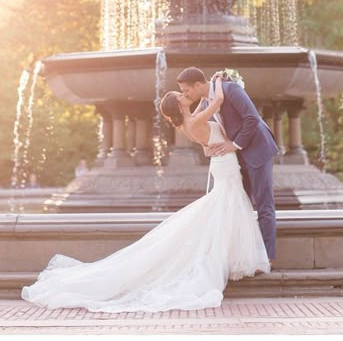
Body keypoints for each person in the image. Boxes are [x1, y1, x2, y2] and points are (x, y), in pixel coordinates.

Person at [21, 75, 269, 313]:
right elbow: (215, 102)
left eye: (183, 91)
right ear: (179, 105)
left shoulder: (189, 123)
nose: (184, 95)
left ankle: (232, 258)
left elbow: (206, 138)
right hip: (226, 167)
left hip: (222, 165)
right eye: (180, 95)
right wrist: (217, 81)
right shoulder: (195, 121)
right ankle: (229, 259)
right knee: (227, 205)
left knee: (224, 207)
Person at [177, 67, 279, 262]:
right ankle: (246, 257)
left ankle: (267, 259)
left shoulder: (230, 89)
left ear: (198, 85)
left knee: (263, 203)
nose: (184, 94)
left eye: (185, 90)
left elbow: (252, 118)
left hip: (258, 150)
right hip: (237, 158)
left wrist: (235, 144)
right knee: (242, 204)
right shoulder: (209, 100)